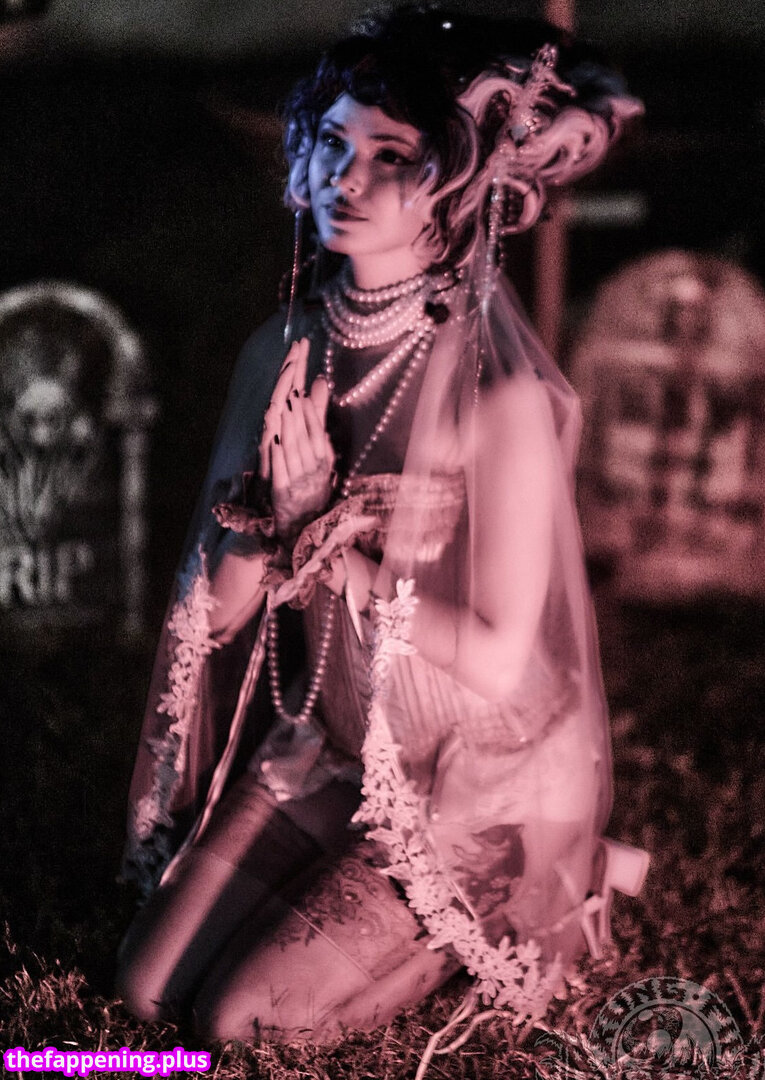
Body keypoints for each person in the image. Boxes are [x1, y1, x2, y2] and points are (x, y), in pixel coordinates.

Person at [116, 5, 648, 1044]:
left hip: (471, 775)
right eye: (331, 142)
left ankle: (520, 888)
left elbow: (495, 661)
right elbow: (214, 616)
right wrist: (276, 524)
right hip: (337, 744)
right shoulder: (283, 351)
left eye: (391, 155)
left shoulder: (501, 399)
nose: (344, 179)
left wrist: (325, 539)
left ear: (457, 181)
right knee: (145, 988)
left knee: (241, 1020)